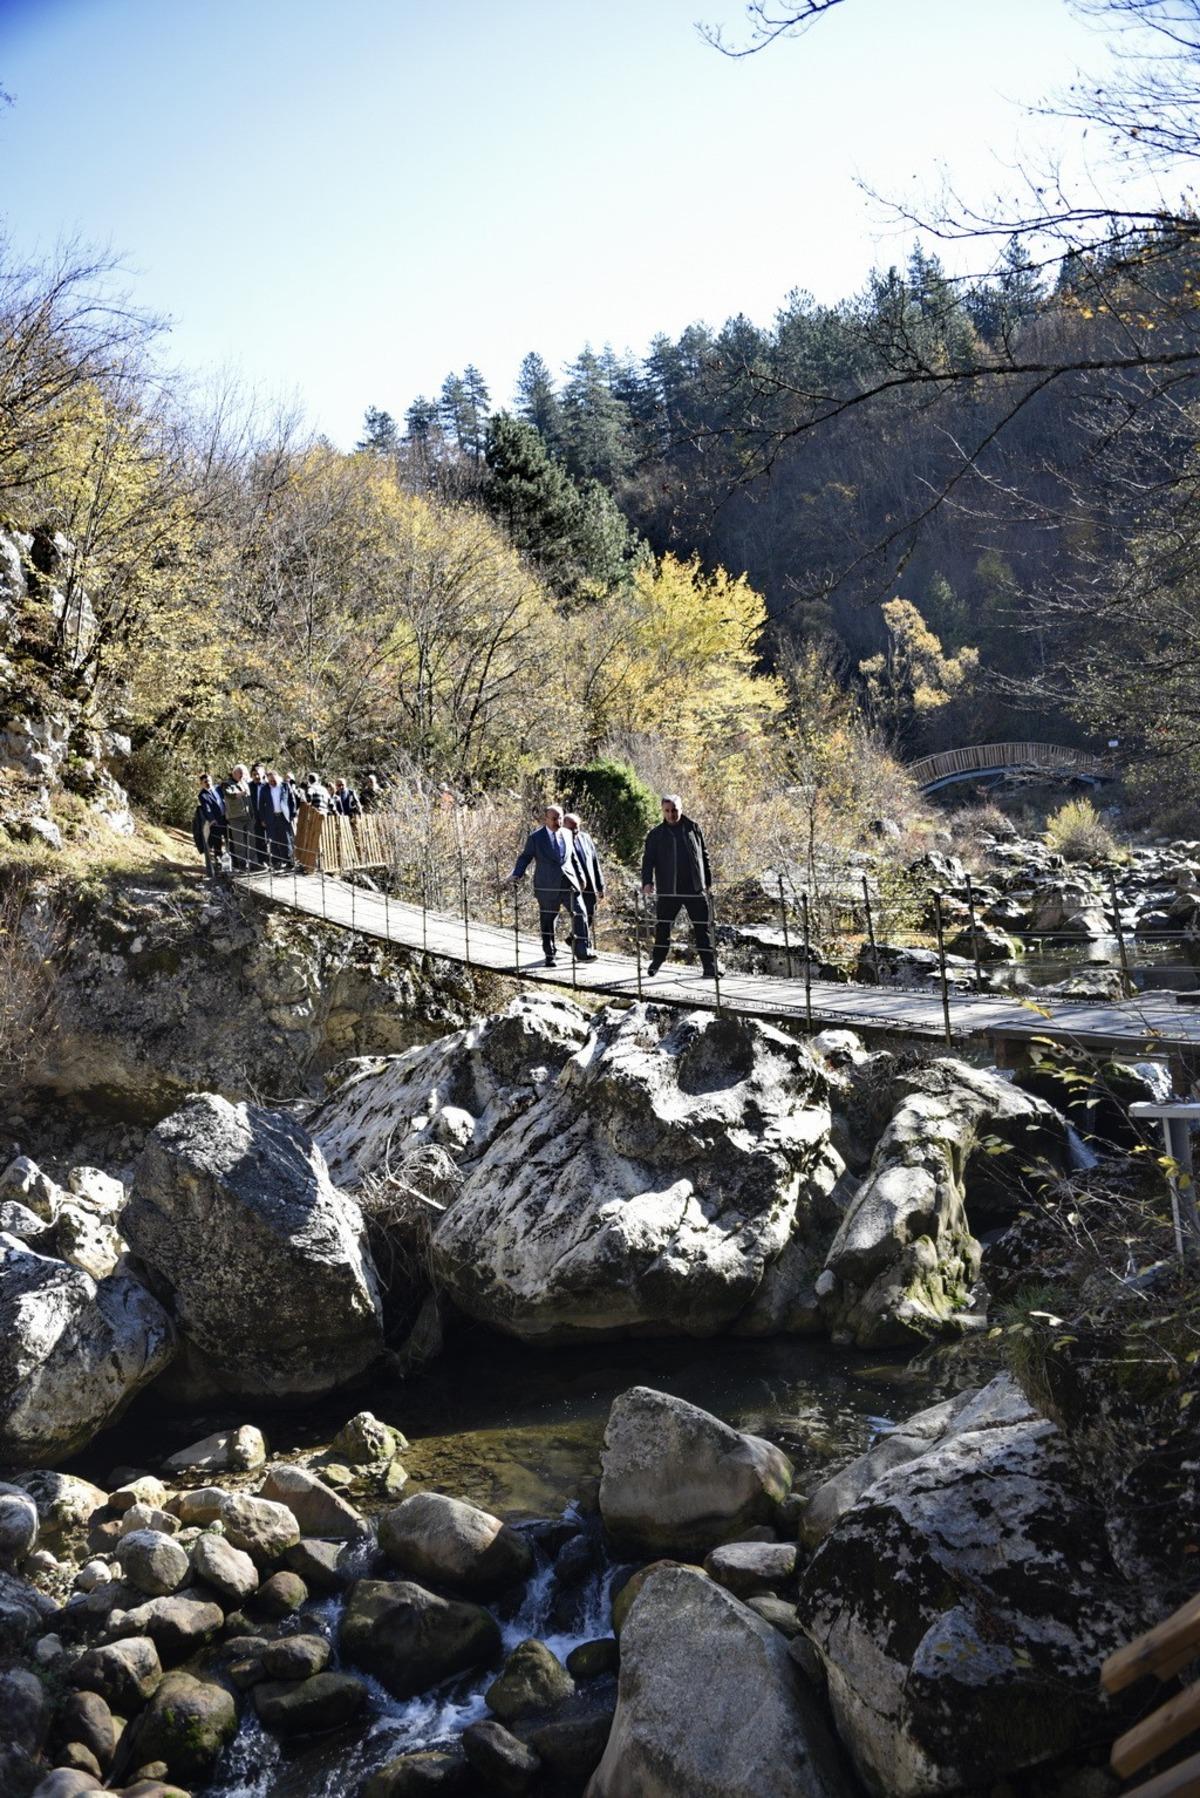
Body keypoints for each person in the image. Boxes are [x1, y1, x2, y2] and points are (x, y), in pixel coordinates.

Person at [640, 793, 719, 978]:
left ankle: (709, 966)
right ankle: (657, 961)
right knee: (663, 928)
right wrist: (647, 882)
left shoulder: (693, 828)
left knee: (702, 927)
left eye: (674, 810)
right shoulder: (656, 834)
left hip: (694, 887)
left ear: (681, 809)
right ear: (663, 811)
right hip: (668, 889)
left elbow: (703, 855)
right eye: (667, 811)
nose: (671, 814)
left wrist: (708, 881)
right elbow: (648, 860)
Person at [511, 803, 595, 967]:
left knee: (580, 913)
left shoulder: (567, 834)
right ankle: (550, 954)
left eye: (561, 818)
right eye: (554, 818)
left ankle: (583, 952)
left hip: (568, 883)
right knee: (548, 920)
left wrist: (581, 877)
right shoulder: (536, 838)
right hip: (547, 885)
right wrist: (517, 873)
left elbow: (573, 859)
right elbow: (525, 857)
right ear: (546, 819)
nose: (558, 821)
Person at [563, 811, 604, 952]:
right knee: (580, 915)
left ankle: (572, 938)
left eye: (577, 828)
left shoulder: (586, 838)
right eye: (571, 829)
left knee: (589, 915)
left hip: (589, 885)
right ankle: (583, 946)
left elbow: (594, 862)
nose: (574, 831)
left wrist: (600, 885)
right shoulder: (559, 841)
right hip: (572, 886)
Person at [256, 768, 298, 868]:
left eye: (274, 780)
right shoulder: (264, 788)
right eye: (270, 780)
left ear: (278, 778)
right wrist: (262, 819)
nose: (272, 782)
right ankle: (276, 862)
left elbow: (292, 800)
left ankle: (288, 861)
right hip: (271, 818)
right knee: (273, 840)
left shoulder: (285, 786)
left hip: (284, 817)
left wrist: (292, 814)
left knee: (286, 839)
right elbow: (261, 805)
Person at [191, 773, 227, 880]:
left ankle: (231, 863)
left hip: (225, 818)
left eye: (209, 781)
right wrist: (212, 820)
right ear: (201, 784)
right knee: (217, 844)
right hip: (215, 822)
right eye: (205, 782)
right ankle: (219, 865)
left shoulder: (218, 789)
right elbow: (207, 808)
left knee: (230, 841)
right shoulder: (202, 795)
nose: (208, 783)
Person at [222, 764, 255, 869]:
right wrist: (243, 793)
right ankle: (242, 864)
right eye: (240, 773)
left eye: (243, 773)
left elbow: (249, 801)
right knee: (239, 842)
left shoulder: (244, 783)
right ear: (234, 773)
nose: (242, 775)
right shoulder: (226, 784)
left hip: (248, 817)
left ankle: (253, 863)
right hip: (236, 818)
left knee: (251, 840)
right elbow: (231, 795)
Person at [248, 762, 269, 867]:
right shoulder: (249, 786)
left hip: (269, 817)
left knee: (271, 840)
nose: (256, 776)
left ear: (263, 773)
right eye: (254, 774)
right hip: (255, 818)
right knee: (259, 840)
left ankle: (275, 861)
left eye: (258, 774)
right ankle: (262, 861)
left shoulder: (269, 785)